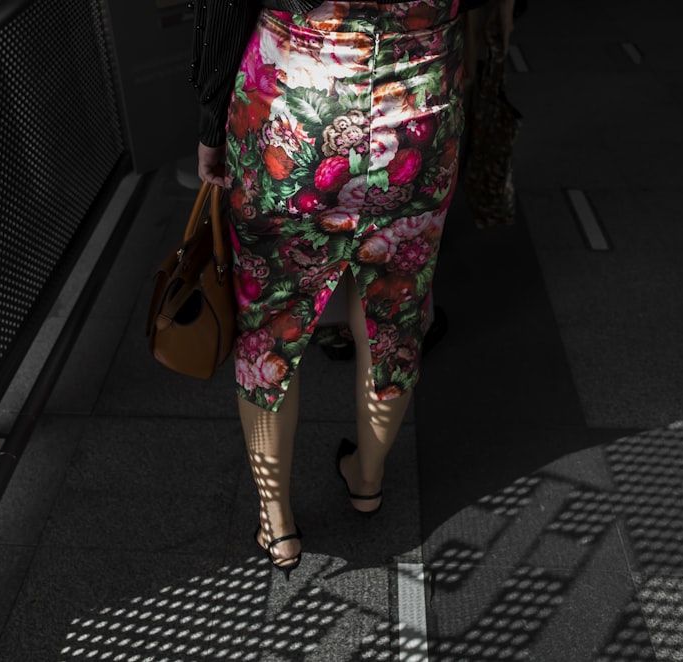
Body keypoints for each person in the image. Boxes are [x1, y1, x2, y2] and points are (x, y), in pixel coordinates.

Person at [190, 0, 492, 578]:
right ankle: (368, 478)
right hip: (421, 114)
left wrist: (210, 121)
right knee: (397, 310)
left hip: (293, 112)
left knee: (271, 320)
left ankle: (276, 520)